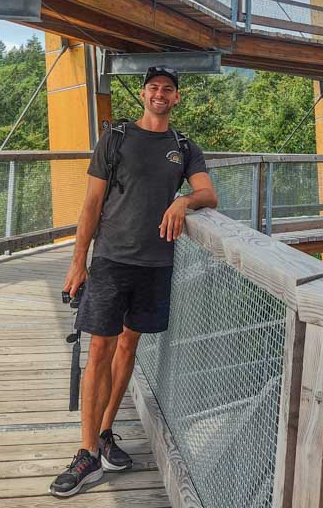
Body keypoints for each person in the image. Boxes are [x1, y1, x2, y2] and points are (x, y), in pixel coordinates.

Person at [50, 65, 217, 498]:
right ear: (143, 94)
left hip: (155, 263)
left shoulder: (184, 147)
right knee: (100, 350)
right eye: (153, 87)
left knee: (128, 347)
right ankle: (87, 453)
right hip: (111, 259)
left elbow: (209, 194)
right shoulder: (116, 139)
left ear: (176, 98)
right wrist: (78, 263)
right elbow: (91, 204)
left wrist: (183, 201)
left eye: (168, 89)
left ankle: (105, 435)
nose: (160, 94)